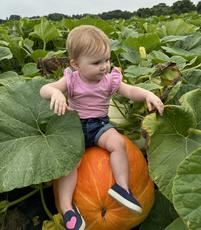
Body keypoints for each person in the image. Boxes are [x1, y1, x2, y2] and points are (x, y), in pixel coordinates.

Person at [40, 25, 164, 230]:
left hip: (99, 125)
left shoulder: (108, 80)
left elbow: (130, 91)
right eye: (97, 62)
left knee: (117, 143)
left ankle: (122, 188)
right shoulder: (71, 79)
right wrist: (55, 94)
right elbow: (45, 89)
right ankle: (67, 209)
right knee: (69, 163)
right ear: (75, 64)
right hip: (74, 128)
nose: (104, 66)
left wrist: (148, 94)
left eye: (106, 60)